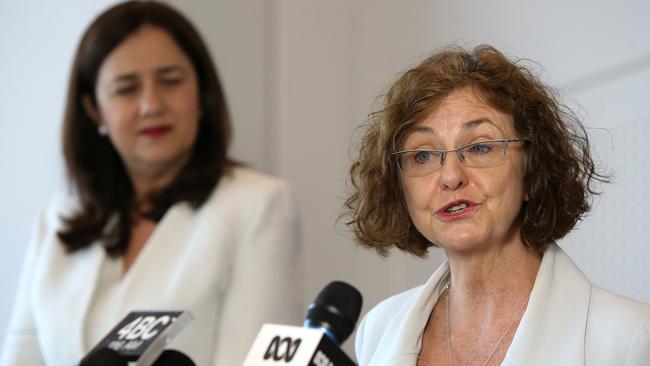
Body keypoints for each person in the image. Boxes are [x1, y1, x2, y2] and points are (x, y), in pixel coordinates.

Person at [0, 2, 302, 365]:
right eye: (126, 89)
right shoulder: (58, 216)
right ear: (94, 108)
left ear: (202, 94)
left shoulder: (259, 205)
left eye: (170, 81)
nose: (151, 105)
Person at [344, 45, 650, 365]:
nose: (450, 176)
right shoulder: (379, 329)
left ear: (532, 171)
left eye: (479, 148)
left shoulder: (630, 338)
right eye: (423, 155)